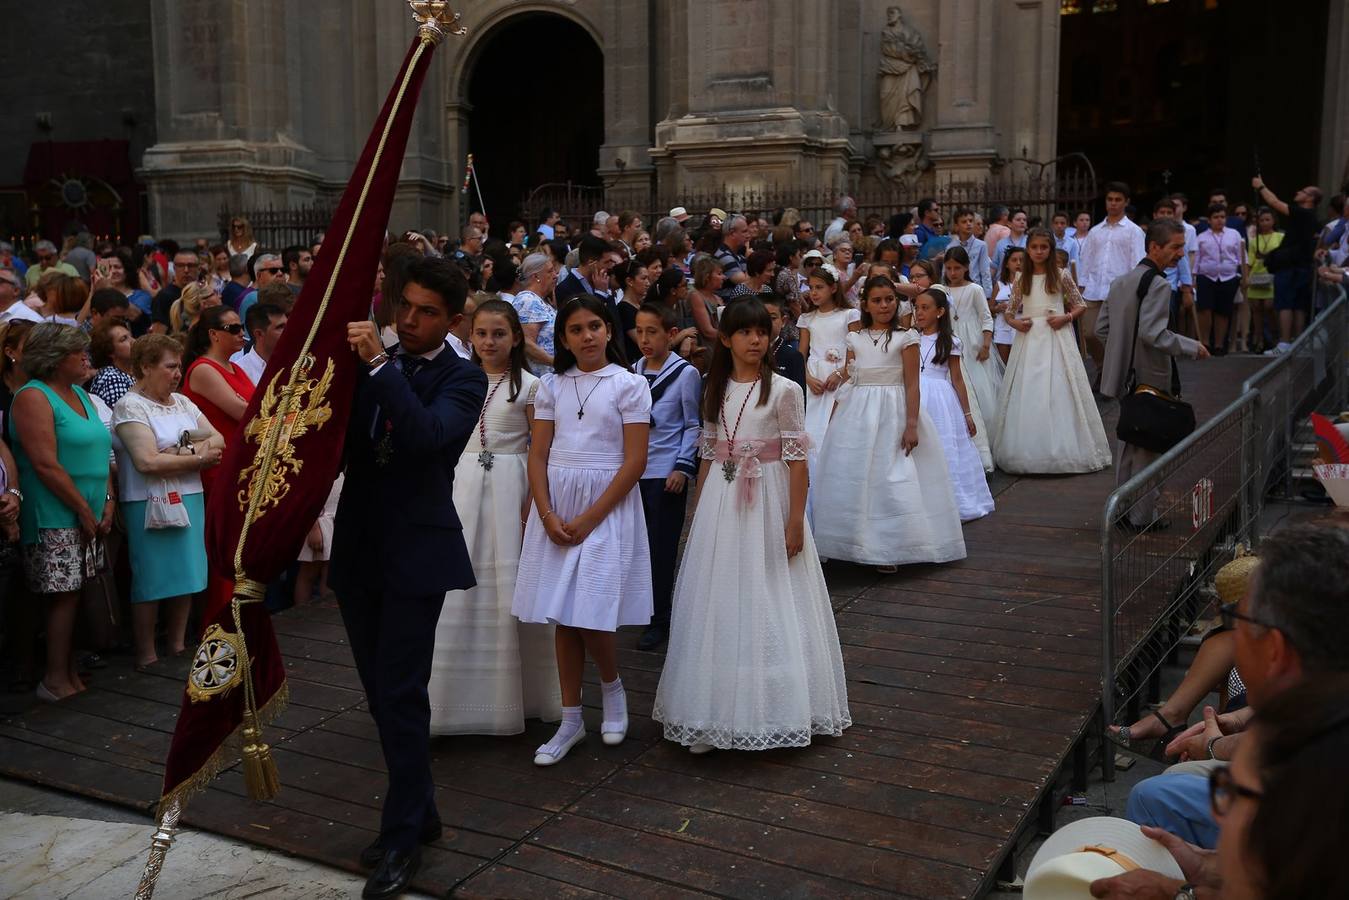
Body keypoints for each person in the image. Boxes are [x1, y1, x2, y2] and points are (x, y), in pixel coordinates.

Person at [329, 256, 487, 898]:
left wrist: (378, 366)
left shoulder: (463, 377)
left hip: (418, 555)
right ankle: (421, 812)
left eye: (427, 313)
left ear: (452, 321)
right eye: (405, 307)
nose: (411, 321)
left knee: (400, 692)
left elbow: (426, 438)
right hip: (359, 546)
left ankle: (401, 837)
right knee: (378, 691)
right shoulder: (373, 363)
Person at [652, 298, 850, 753]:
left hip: (768, 497)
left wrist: (795, 520)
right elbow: (709, 453)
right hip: (724, 500)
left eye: (761, 332)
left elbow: (797, 463)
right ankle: (712, 709)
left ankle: (779, 705)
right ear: (725, 338)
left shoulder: (783, 390)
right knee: (722, 594)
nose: (755, 340)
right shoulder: (712, 389)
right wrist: (699, 512)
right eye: (744, 332)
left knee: (770, 591)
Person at [1106, 525, 1349, 883]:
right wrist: (1203, 867)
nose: (1227, 634)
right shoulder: (1320, 710)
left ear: (1276, 649)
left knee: (1155, 795)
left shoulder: (1311, 768)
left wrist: (1181, 893)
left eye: (1236, 624)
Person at [511, 294, 651, 766]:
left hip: (605, 504)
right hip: (558, 502)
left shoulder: (629, 385)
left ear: (609, 330)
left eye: (595, 326)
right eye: (576, 329)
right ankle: (571, 718)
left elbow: (634, 462)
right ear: (564, 338)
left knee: (588, 609)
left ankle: (611, 686)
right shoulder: (551, 386)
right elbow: (538, 454)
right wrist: (547, 513)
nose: (587, 336)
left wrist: (590, 518)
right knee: (562, 613)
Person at [426, 298, 560, 736]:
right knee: (458, 586)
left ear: (516, 337)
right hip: (461, 486)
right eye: (482, 333)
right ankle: (451, 702)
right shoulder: (455, 381)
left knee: (509, 588)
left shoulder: (530, 387)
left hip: (510, 487)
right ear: (469, 336)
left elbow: (542, 451)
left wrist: (533, 504)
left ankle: (520, 698)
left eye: (499, 333)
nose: (489, 342)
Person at [813, 277, 965, 570]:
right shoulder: (855, 337)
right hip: (858, 412)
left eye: (889, 299)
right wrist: (834, 414)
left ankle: (891, 548)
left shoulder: (905, 337)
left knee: (892, 476)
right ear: (866, 305)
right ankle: (849, 542)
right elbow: (851, 376)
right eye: (877, 300)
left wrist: (910, 424)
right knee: (854, 474)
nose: (884, 305)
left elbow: (911, 384)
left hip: (893, 409)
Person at [7, 324, 114, 702]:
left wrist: (107, 501)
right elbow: (45, 464)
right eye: (77, 352)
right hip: (54, 511)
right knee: (62, 595)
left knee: (78, 591)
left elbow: (100, 454)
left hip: (88, 510)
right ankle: (54, 677)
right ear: (54, 359)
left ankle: (69, 672)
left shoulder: (81, 395)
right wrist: (84, 508)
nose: (86, 358)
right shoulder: (33, 397)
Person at [111, 334, 223, 668]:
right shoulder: (130, 405)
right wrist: (198, 457)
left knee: (186, 574)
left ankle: (177, 645)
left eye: (179, 366)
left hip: (188, 496)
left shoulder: (184, 403)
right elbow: (146, 462)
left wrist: (178, 452)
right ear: (145, 367)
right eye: (170, 366)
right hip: (147, 501)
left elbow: (217, 438)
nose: (177, 374)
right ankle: (146, 653)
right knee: (152, 577)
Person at [1096, 219, 1208, 529]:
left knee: (1129, 443)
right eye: (1175, 247)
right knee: (1149, 448)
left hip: (1124, 377)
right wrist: (1190, 346)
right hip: (1151, 377)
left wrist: (1122, 356)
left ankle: (1121, 510)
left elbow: (1101, 329)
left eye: (1182, 248)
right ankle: (1141, 517)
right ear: (1154, 247)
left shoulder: (1120, 282)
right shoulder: (1158, 284)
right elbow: (1153, 333)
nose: (1180, 254)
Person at [995, 228, 1112, 475]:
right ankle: (1027, 450)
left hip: (1056, 335)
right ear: (1028, 249)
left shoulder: (1060, 275)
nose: (1039, 251)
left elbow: (1080, 304)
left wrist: (1066, 317)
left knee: (1059, 387)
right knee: (1030, 389)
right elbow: (1009, 310)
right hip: (1029, 338)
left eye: (1044, 247)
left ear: (1050, 250)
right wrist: (1014, 322)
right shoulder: (1020, 278)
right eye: (1034, 247)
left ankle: (1065, 448)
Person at [629, 303, 701, 653]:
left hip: (664, 472)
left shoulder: (684, 374)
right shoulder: (631, 372)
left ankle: (660, 616)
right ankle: (638, 607)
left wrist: (683, 466)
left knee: (660, 547)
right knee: (634, 546)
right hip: (633, 472)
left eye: (652, 331)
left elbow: (691, 423)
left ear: (671, 334)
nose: (644, 339)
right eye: (639, 331)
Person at [913, 288, 994, 521]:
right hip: (914, 392)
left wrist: (967, 413)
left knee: (942, 445)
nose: (919, 312)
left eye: (925, 308)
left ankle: (948, 500)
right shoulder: (910, 337)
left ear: (940, 312)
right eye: (916, 307)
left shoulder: (951, 341)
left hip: (939, 397)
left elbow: (957, 377)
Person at [179, 307, 255, 498]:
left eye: (242, 327)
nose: (242, 333)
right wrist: (247, 404)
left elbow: (255, 406)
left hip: (244, 463)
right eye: (234, 328)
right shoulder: (203, 369)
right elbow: (244, 412)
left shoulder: (235, 367)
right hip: (222, 467)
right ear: (213, 334)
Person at [796, 264, 860, 484]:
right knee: (811, 426)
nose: (813, 292)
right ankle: (811, 474)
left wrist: (841, 373)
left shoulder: (849, 315)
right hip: (814, 379)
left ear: (833, 288)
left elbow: (856, 351)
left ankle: (836, 475)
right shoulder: (807, 319)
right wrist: (806, 377)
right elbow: (801, 354)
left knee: (834, 425)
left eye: (819, 287)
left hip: (841, 376)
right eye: (811, 287)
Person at [1078, 182, 1146, 381]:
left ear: (1126, 202)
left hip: (1118, 291)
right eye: (1110, 199)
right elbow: (1086, 261)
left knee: (1114, 337)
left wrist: (1133, 291)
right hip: (1092, 290)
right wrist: (1080, 289)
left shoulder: (1133, 231)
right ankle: (1102, 369)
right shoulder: (1095, 231)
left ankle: (1114, 375)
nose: (1113, 204)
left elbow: (1137, 263)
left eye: (1118, 200)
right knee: (1089, 333)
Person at [1252, 176, 1322, 353]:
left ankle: (1284, 343)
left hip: (1289, 267)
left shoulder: (1302, 213)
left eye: (1303, 192)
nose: (1298, 192)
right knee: (1298, 306)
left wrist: (1260, 187)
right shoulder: (1314, 219)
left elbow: (1274, 202)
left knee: (1284, 304)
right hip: (1303, 267)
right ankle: (1297, 343)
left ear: (1310, 198)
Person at [943, 246, 1002, 432]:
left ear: (966, 267)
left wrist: (985, 344)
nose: (953, 273)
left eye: (957, 268)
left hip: (971, 341)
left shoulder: (975, 289)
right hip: (949, 338)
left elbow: (986, 317)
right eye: (949, 268)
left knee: (977, 385)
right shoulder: (941, 290)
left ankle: (982, 429)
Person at [1193, 204, 1247, 356]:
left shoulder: (1234, 234)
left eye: (1222, 217)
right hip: (1206, 276)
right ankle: (1205, 342)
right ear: (1209, 220)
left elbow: (1241, 256)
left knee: (1223, 311)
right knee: (1205, 309)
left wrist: (1244, 276)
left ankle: (1218, 344)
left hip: (1228, 276)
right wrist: (1193, 278)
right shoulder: (1202, 237)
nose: (1219, 220)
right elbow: (1197, 259)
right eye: (1216, 217)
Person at [512, 253, 559, 376]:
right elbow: (526, 344)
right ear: (536, 276)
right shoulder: (528, 300)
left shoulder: (541, 300)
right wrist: (556, 363)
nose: (555, 275)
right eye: (550, 271)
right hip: (538, 380)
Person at [1245, 208, 1281, 355]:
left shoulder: (1280, 237)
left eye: (1268, 219)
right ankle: (1258, 340)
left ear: (1273, 221)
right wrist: (1246, 277)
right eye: (1262, 220)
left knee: (1270, 307)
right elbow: (1250, 261)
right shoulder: (1254, 240)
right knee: (1256, 310)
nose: (1265, 223)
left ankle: (1275, 338)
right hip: (1256, 275)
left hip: (1272, 275)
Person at [230, 302, 287, 386]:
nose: (288, 330)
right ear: (259, 334)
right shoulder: (240, 372)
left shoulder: (298, 360)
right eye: (280, 327)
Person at [762, 294, 807, 394]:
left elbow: (799, 398)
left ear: (783, 321)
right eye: (760, 317)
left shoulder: (793, 356)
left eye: (772, 318)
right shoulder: (747, 352)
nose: (766, 323)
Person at [150, 249, 202, 334]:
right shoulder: (164, 297)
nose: (186, 270)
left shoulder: (203, 292)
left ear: (199, 269)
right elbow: (158, 335)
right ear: (174, 268)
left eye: (191, 266)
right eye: (181, 265)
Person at [990, 246, 1026, 364]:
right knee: (1004, 365)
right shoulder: (1000, 285)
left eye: (1021, 260)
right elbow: (990, 309)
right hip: (1003, 329)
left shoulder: (1029, 284)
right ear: (1006, 264)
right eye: (1014, 260)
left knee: (1020, 364)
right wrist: (998, 308)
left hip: (1022, 327)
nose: (1018, 263)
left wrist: (1021, 307)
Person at [88, 319, 136, 408]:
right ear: (110, 352)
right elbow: (125, 416)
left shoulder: (132, 372)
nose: (133, 341)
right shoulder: (111, 378)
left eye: (130, 336)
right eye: (124, 339)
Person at [612, 258, 651, 365]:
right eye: (643, 278)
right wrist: (682, 335)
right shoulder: (624, 309)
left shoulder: (642, 305)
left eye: (648, 278)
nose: (648, 283)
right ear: (629, 281)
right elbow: (644, 342)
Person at [951, 207, 993, 297]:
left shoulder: (981, 245)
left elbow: (985, 272)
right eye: (964, 222)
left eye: (970, 221)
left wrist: (987, 295)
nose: (968, 224)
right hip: (957, 289)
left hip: (976, 290)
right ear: (956, 226)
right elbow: (946, 272)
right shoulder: (951, 246)